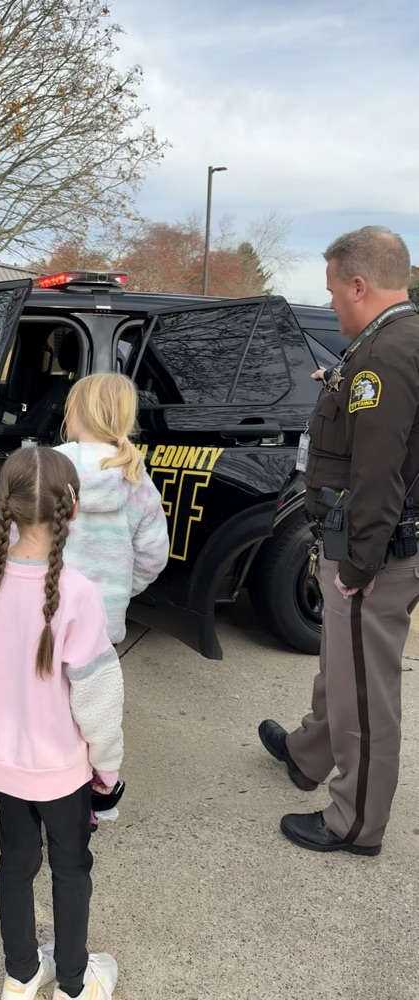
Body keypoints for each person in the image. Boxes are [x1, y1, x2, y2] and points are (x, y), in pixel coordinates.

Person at [259, 226, 419, 856]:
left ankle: (354, 823)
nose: (329, 304)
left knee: (364, 691)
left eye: (333, 292)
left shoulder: (386, 355)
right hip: (372, 540)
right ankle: (307, 752)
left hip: (374, 551)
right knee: (340, 667)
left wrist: (359, 560)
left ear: (360, 284)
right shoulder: (386, 344)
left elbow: (379, 469)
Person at [0, 447, 124, 1000]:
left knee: (16, 861)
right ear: (71, 507)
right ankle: (74, 985)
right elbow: (97, 699)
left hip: (3, 763)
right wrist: (108, 767)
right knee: (72, 866)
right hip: (61, 766)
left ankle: (21, 973)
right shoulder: (78, 592)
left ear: (3, 505)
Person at [54, 372, 168, 645]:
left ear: (76, 412)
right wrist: (120, 589)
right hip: (103, 626)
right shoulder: (137, 478)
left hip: (45, 615)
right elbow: (153, 555)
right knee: (95, 688)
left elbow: (19, 536)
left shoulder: (49, 466)